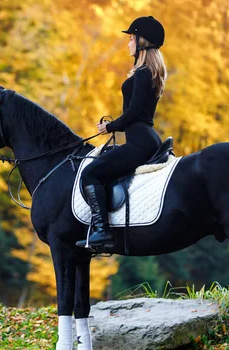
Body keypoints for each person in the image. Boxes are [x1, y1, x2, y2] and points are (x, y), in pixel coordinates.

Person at [76, 16, 168, 250]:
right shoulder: (149, 72)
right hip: (145, 138)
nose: (128, 43)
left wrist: (110, 126)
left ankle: (101, 231)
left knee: (90, 174)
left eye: (131, 38)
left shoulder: (142, 73)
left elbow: (135, 111)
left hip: (139, 142)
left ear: (142, 42)